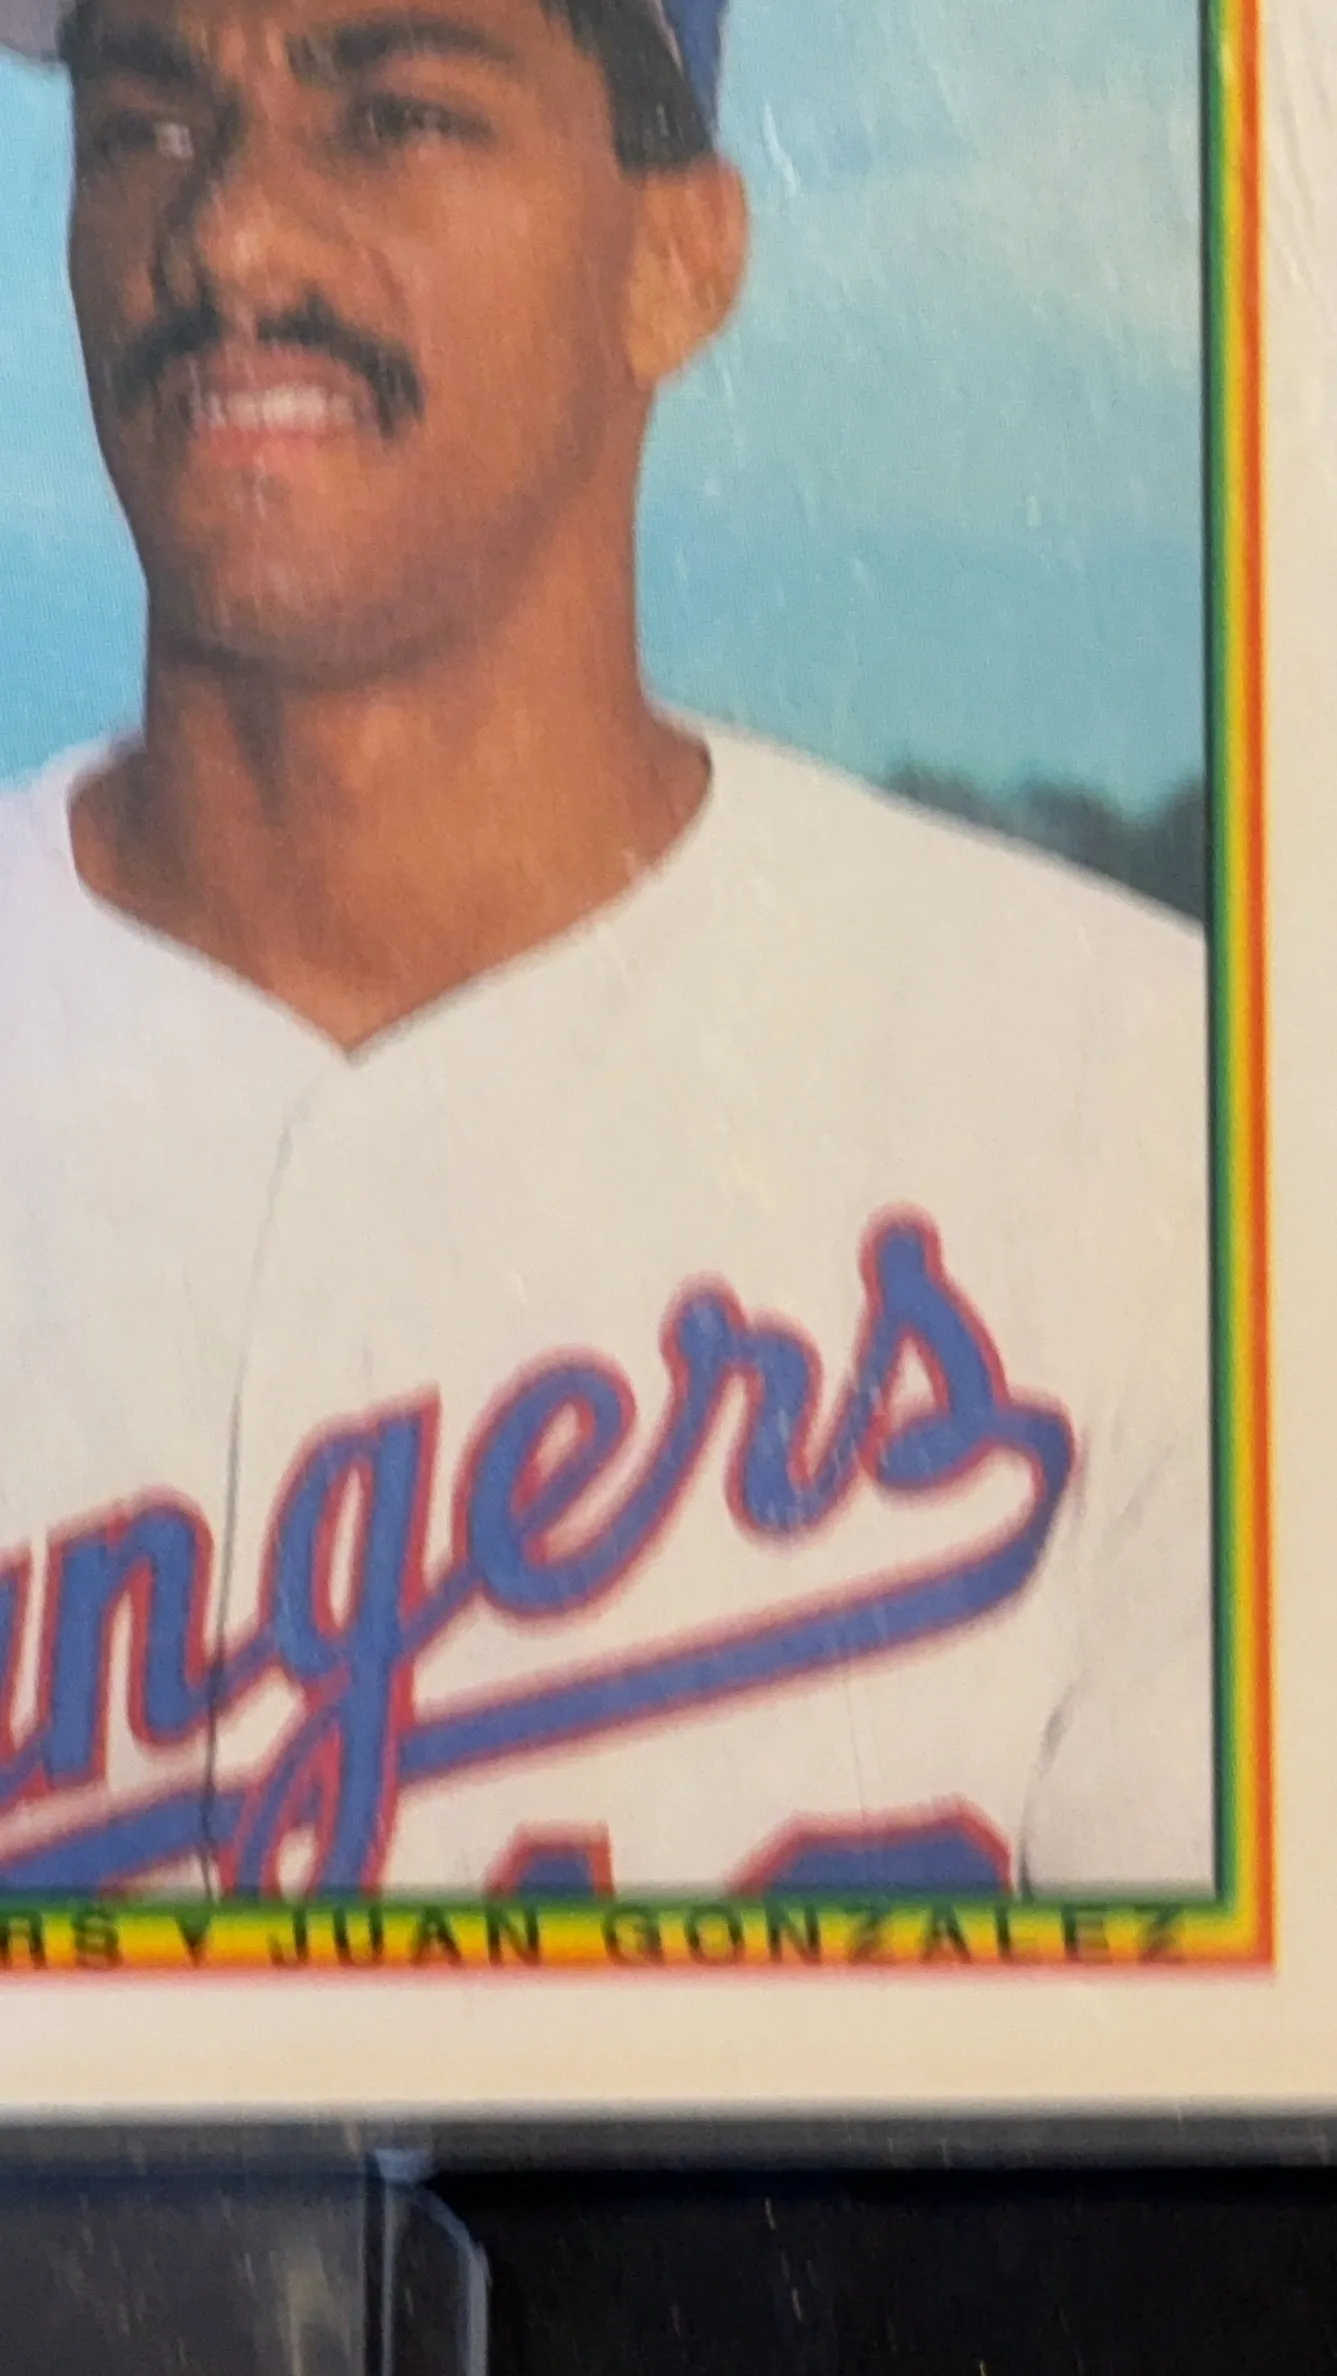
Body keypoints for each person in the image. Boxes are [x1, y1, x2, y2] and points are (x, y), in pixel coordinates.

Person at [0, 0, 1211, 1902]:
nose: (231, 238)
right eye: (144, 126)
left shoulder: (1150, 1112)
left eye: (396, 116)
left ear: (677, 260)